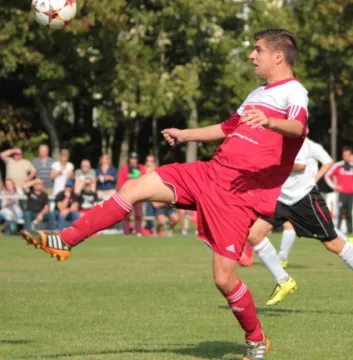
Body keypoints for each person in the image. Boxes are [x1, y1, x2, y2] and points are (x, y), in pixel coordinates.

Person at [21, 28, 309, 359]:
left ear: (278, 55)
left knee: (223, 279)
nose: (251, 55)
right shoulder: (256, 93)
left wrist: (271, 122)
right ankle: (66, 240)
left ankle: (256, 339)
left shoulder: (294, 91)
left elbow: (298, 127)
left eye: (257, 50)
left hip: (236, 195)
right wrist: (185, 135)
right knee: (134, 187)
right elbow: (226, 129)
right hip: (209, 172)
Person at [246, 137, 353, 308]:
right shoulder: (271, 136)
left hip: (304, 198)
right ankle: (283, 281)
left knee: (333, 244)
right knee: (254, 234)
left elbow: (300, 165)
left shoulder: (297, 138)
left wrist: (269, 163)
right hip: (281, 198)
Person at [278, 136, 334, 268]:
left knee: (329, 236)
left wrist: (316, 177)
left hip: (305, 192)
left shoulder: (311, 146)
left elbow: (327, 161)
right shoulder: (283, 142)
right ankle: (281, 260)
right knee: (283, 226)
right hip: (287, 193)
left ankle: (347, 243)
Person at [325, 146, 353, 234]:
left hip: (351, 194)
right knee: (339, 214)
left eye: (348, 155)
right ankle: (337, 232)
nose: (346, 157)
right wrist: (334, 186)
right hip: (341, 194)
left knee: (349, 213)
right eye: (344, 155)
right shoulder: (338, 165)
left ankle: (350, 232)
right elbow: (327, 176)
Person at [117, 152, 146, 236]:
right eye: (132, 158)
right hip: (128, 194)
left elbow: (144, 180)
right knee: (126, 214)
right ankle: (126, 232)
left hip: (138, 194)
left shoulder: (142, 168)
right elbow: (120, 182)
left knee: (138, 214)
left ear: (137, 159)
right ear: (129, 159)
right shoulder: (124, 169)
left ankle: (139, 231)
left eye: (135, 158)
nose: (133, 160)